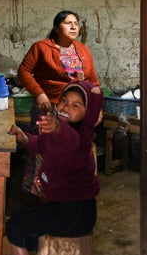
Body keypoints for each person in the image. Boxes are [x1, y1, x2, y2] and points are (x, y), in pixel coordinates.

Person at [6, 80, 103, 255]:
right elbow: (41, 143)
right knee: (28, 221)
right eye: (64, 101)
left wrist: (57, 125)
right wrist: (23, 137)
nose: (67, 107)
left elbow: (66, 138)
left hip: (75, 214)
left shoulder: (80, 136)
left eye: (76, 105)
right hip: (68, 209)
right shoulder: (60, 130)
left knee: (14, 228)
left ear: (88, 112)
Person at [17, 10, 101, 194]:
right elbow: (23, 71)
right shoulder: (41, 47)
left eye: (76, 23)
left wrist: (97, 107)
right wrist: (39, 93)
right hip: (50, 109)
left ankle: (71, 194)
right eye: (68, 22)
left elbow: (94, 83)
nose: (73, 27)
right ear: (56, 28)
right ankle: (44, 195)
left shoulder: (83, 51)